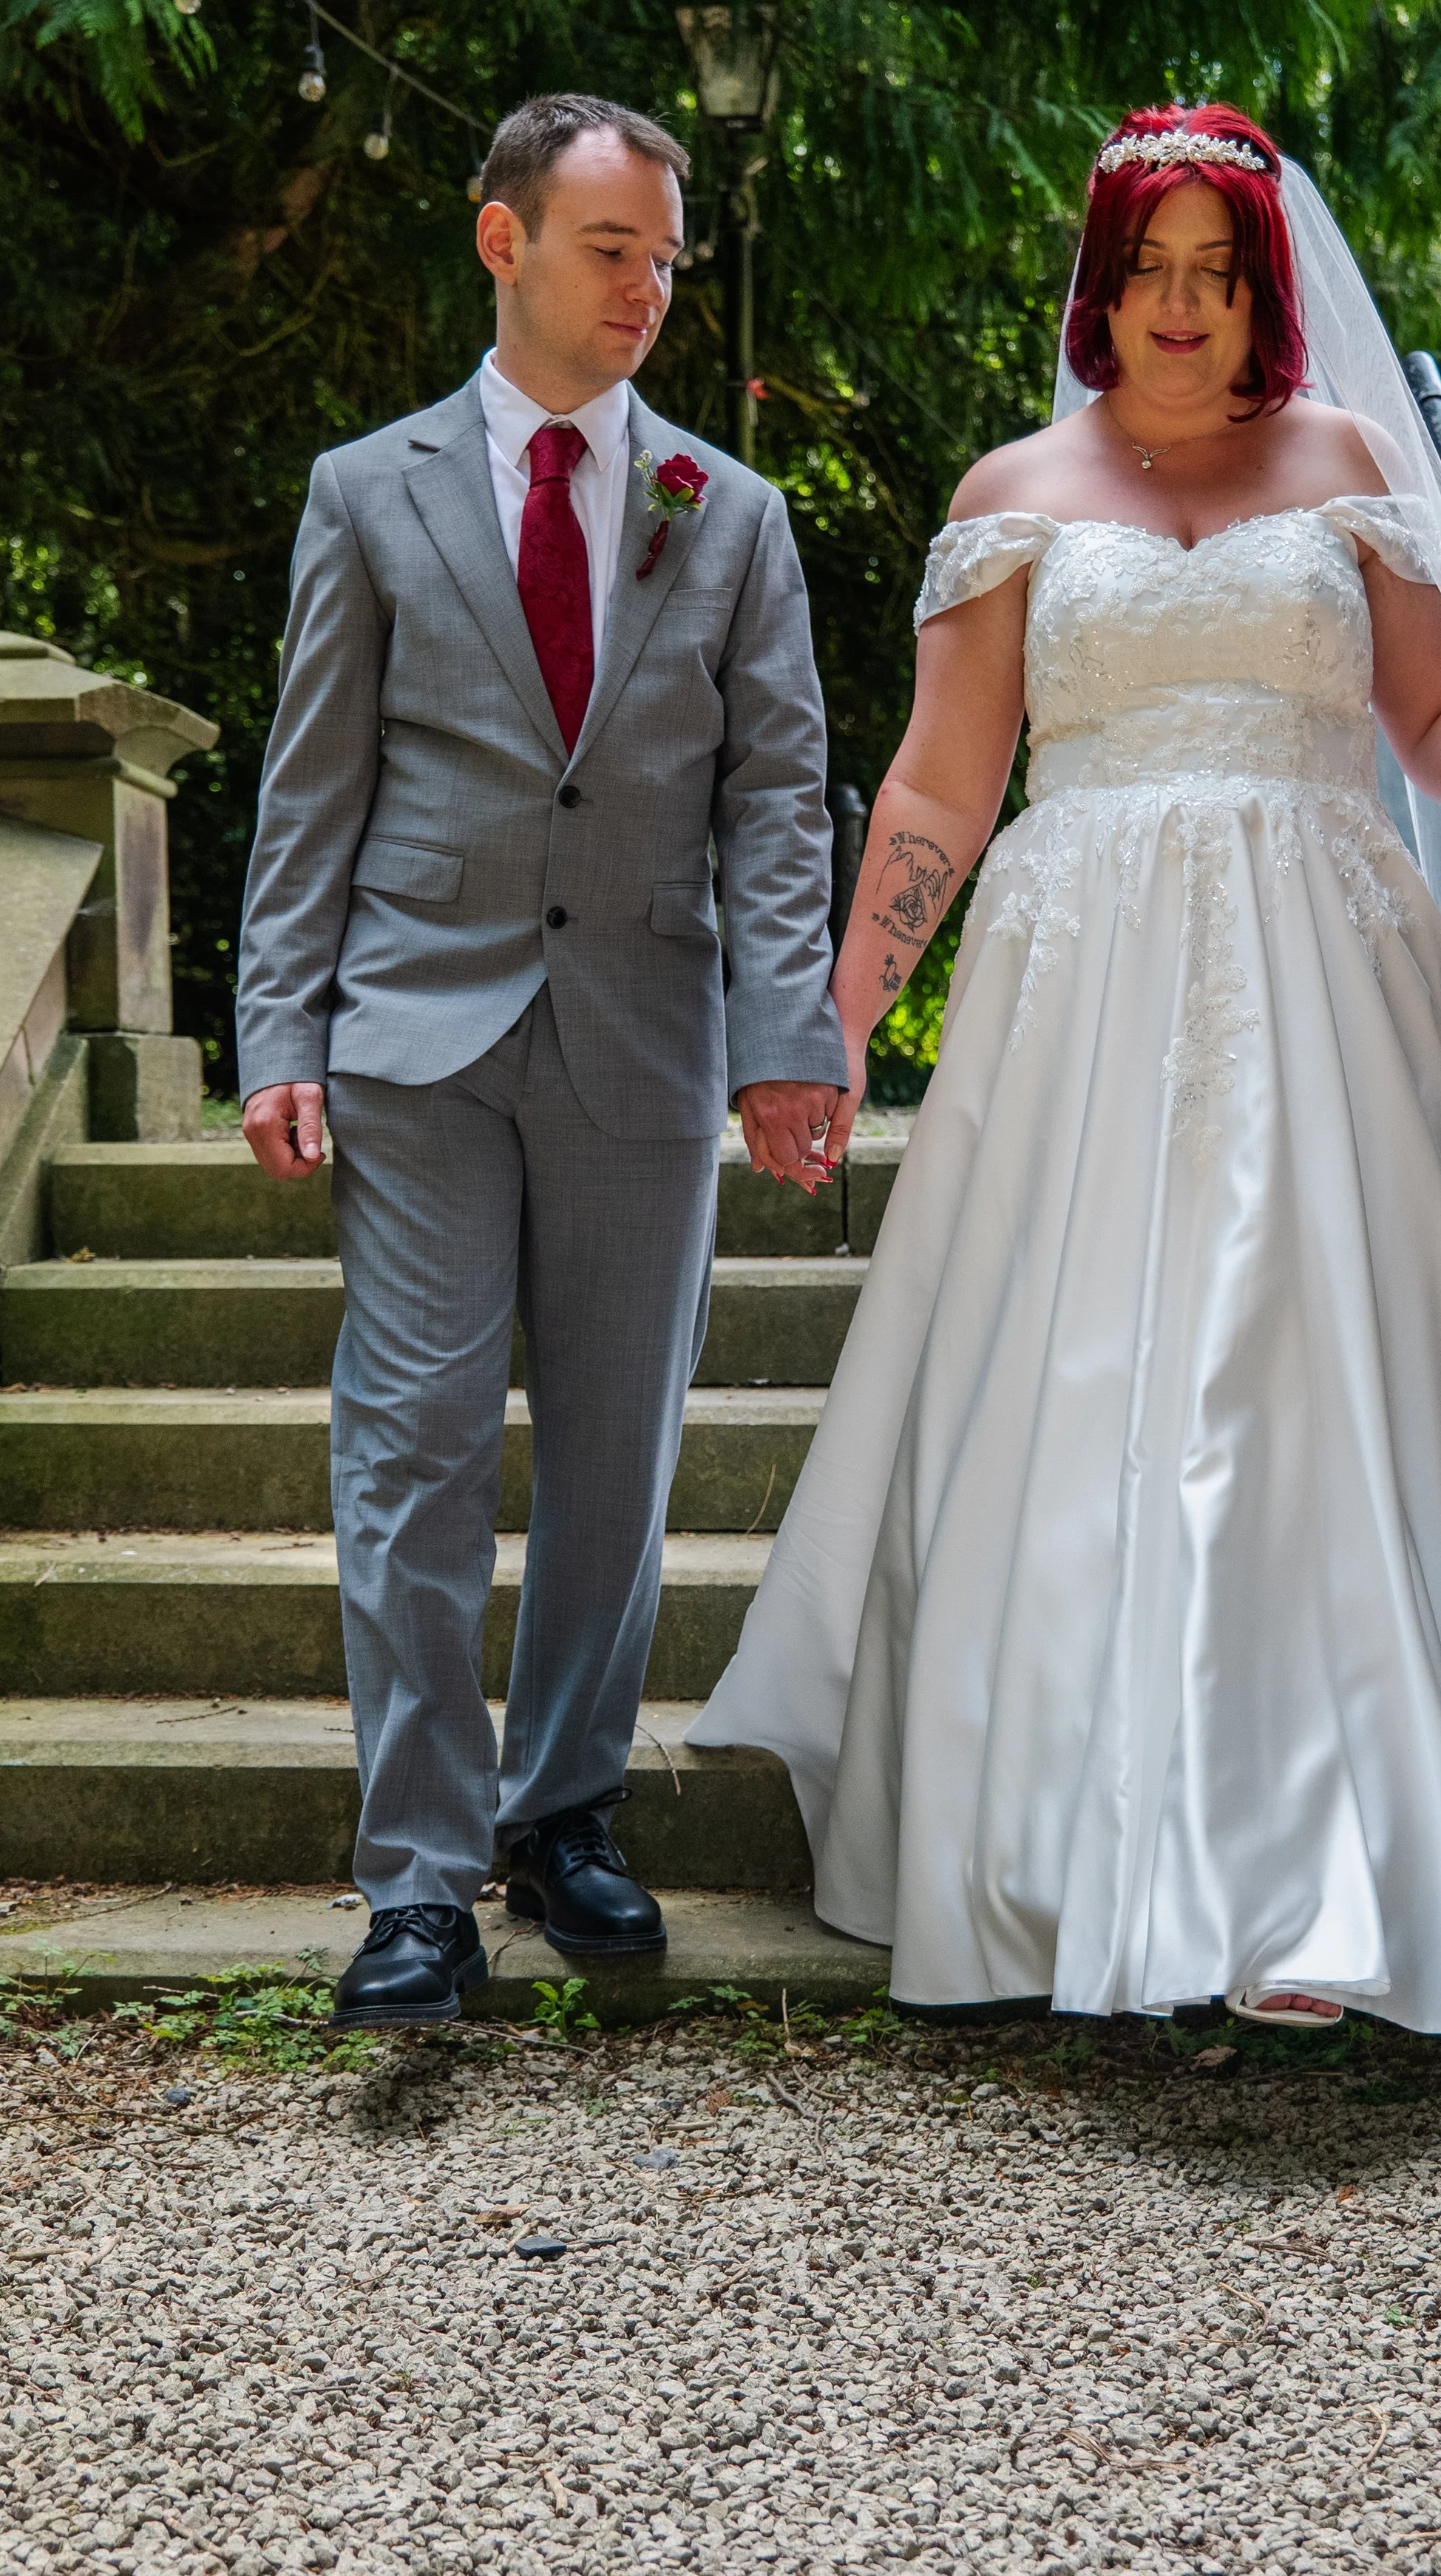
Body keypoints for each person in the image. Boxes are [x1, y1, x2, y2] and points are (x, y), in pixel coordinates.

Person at [691, 103, 1441, 2037]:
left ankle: (1318, 1863)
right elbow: (941, 775)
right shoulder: (1014, 487)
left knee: (1296, 1371)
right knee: (1083, 1374)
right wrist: (833, 1019)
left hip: (1317, 963)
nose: (1180, 307)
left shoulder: (1345, 463)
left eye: (1218, 271)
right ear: (1099, 284)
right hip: (1083, 974)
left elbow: (1429, 714)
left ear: (1264, 289)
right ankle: (1069, 1843)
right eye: (1148, 270)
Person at [235, 93, 844, 2030]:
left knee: (611, 1450)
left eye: (665, 255)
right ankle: (415, 1880)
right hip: (416, 1029)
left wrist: (784, 1037)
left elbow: (777, 808)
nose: (648, 287)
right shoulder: (369, 491)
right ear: (502, 244)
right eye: (611, 249)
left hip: (648, 1045)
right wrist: (280, 1023)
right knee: (409, 1454)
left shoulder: (727, 514)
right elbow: (309, 782)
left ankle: (565, 1805)